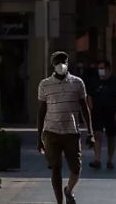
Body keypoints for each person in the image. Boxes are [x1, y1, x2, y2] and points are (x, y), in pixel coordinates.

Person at [37, 51, 94, 204]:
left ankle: (68, 190)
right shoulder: (44, 84)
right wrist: (39, 138)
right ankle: (59, 202)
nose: (61, 64)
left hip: (71, 132)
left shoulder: (77, 83)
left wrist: (91, 133)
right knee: (56, 168)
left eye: (63, 60)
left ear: (68, 63)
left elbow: (84, 109)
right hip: (51, 133)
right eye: (57, 61)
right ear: (52, 64)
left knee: (76, 169)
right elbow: (41, 112)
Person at [87, 59, 116, 170]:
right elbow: (89, 96)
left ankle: (109, 160)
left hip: (111, 113)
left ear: (109, 70)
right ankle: (97, 159)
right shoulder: (94, 81)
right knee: (97, 135)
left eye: (102, 69)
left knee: (111, 137)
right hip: (97, 112)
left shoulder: (115, 81)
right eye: (99, 69)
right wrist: (90, 109)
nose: (100, 71)